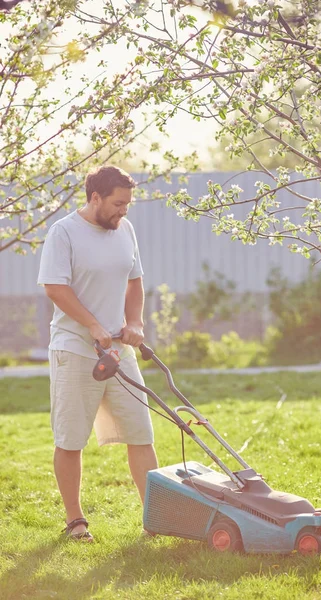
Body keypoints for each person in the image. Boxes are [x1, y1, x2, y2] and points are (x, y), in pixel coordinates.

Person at [37, 165, 158, 542]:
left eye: (127, 204)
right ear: (95, 198)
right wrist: (91, 324)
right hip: (75, 350)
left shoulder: (126, 229)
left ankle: (154, 518)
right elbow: (55, 287)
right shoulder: (64, 233)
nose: (124, 211)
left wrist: (134, 321)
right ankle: (76, 521)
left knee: (141, 432)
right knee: (71, 437)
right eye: (118, 204)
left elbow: (135, 280)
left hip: (119, 350)